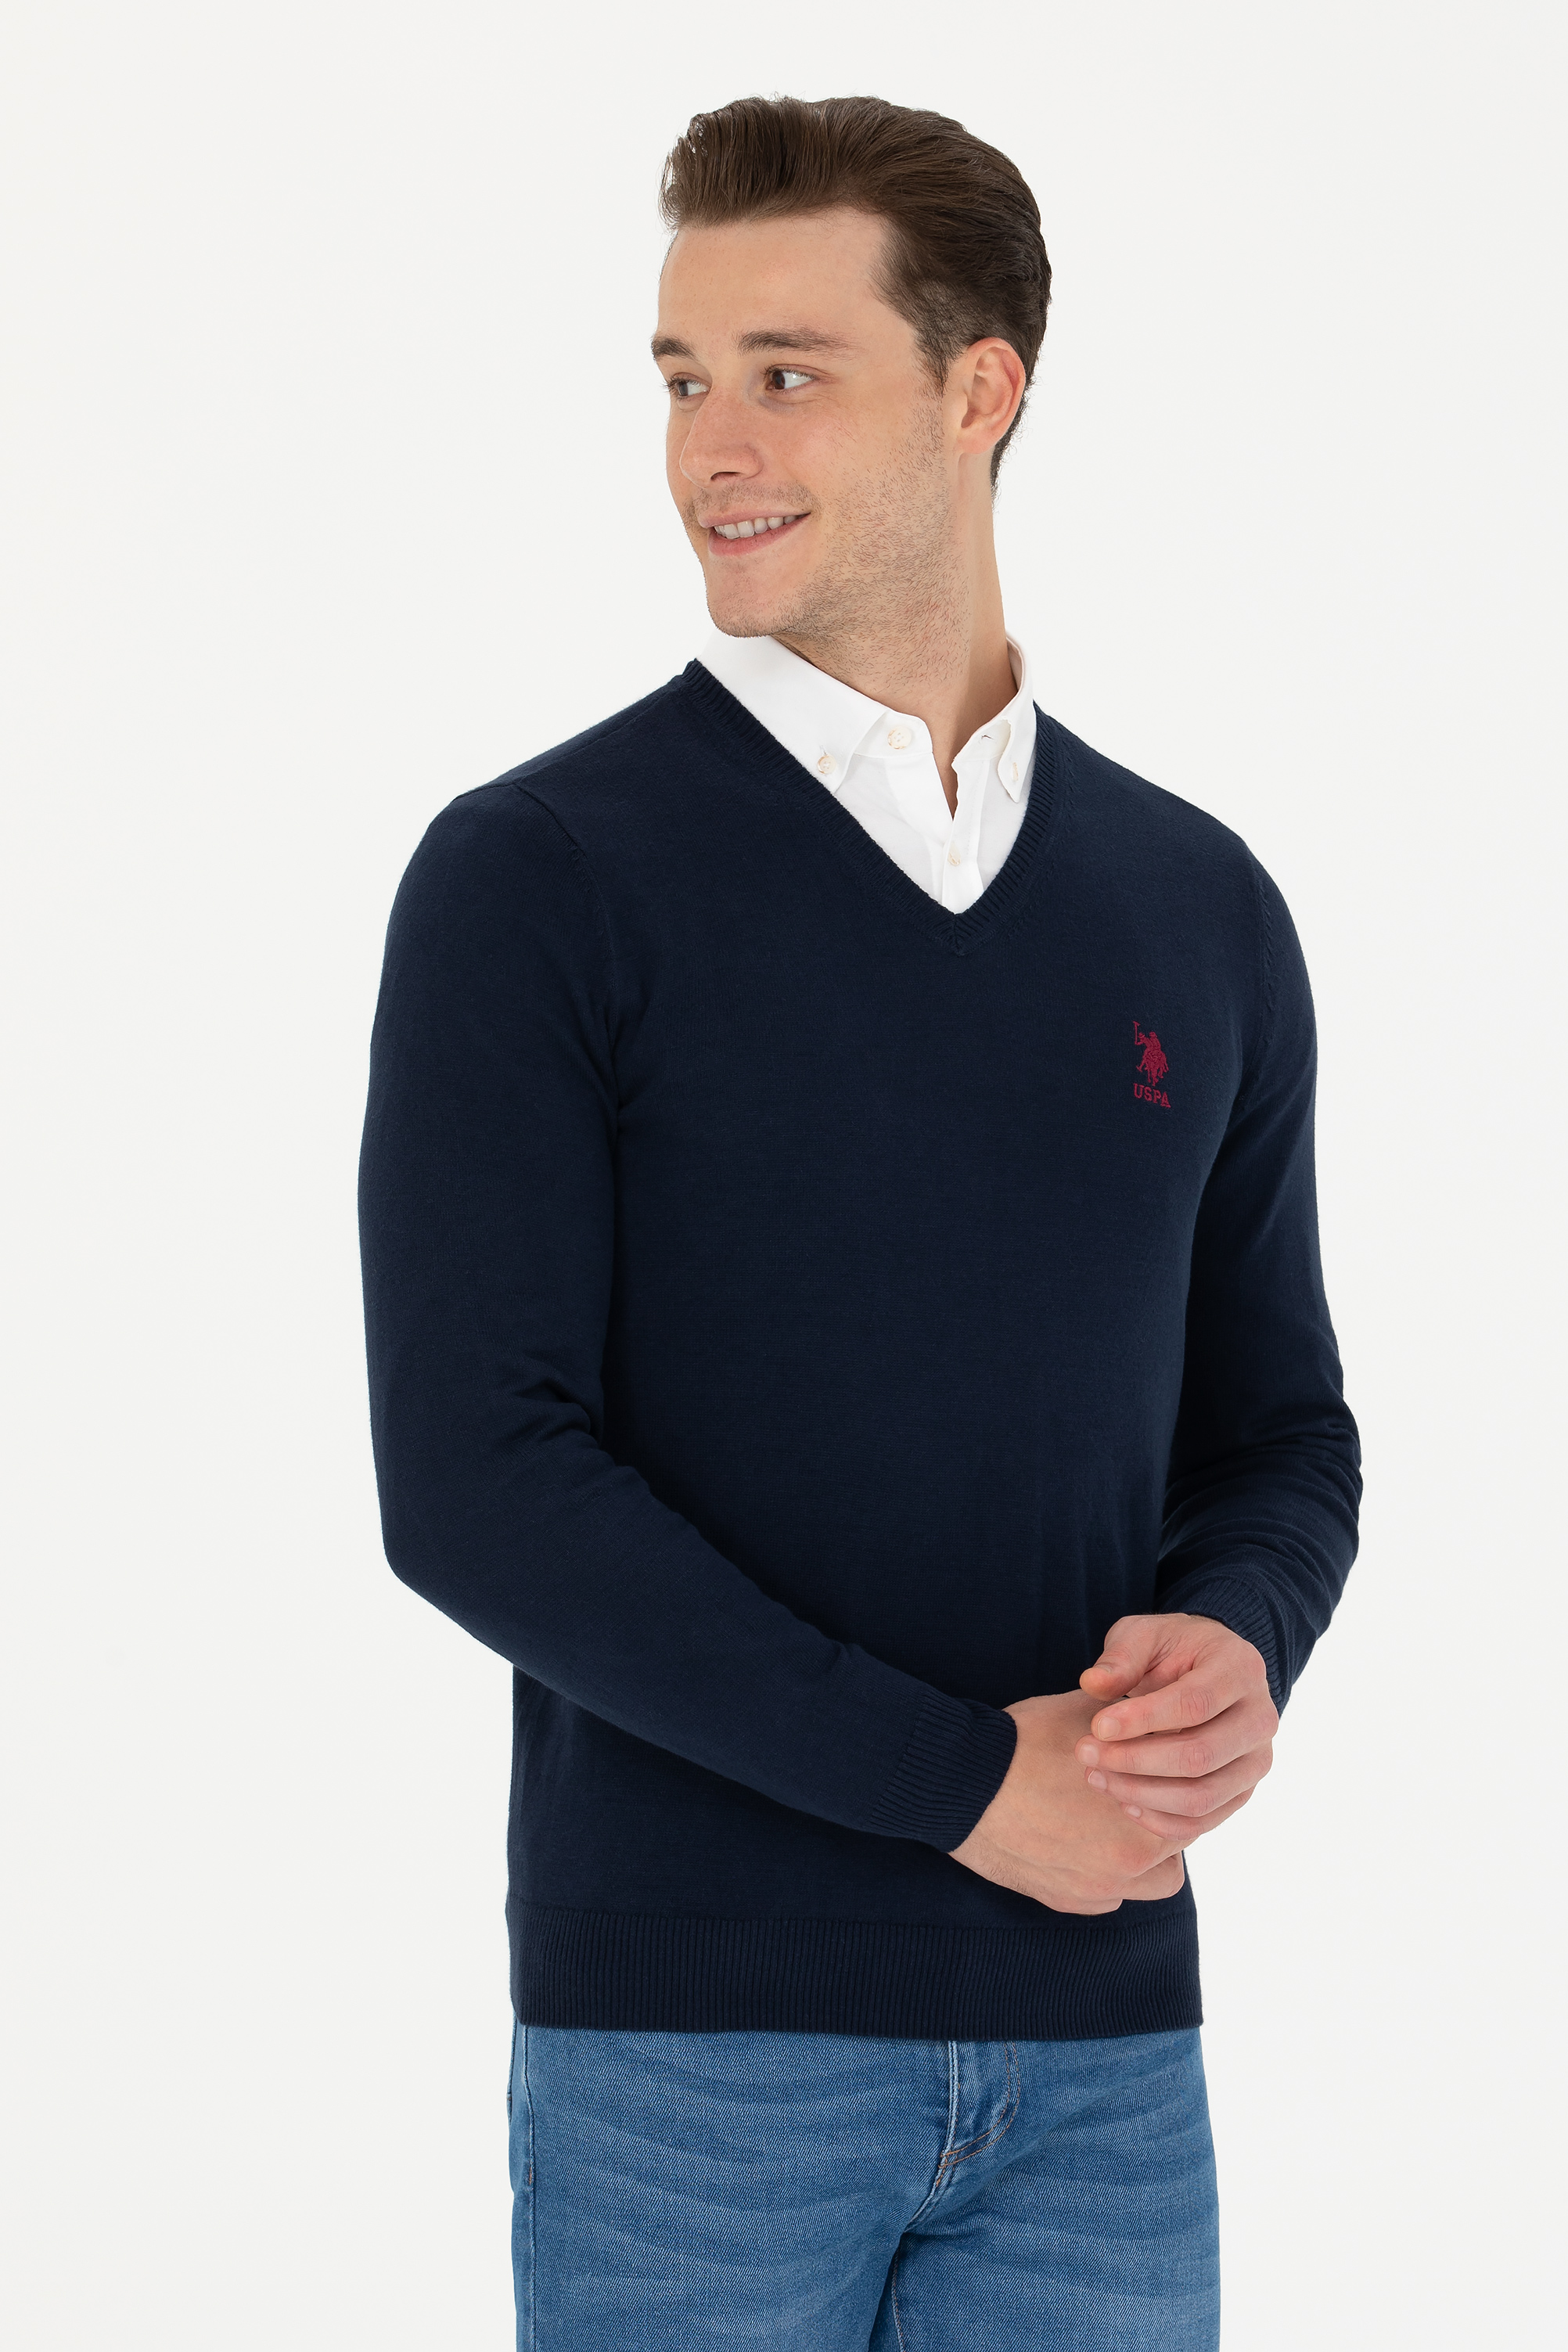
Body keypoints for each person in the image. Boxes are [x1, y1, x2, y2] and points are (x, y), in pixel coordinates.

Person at [358, 92, 1360, 2352]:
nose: (710, 447)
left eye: (785, 372)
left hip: (1105, 2057)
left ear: (978, 390)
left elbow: (1277, 1433)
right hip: (692, 2060)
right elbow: (476, 1484)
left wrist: (1241, 1637)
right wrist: (965, 1789)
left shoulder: (1193, 905)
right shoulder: (540, 880)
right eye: (680, 378)